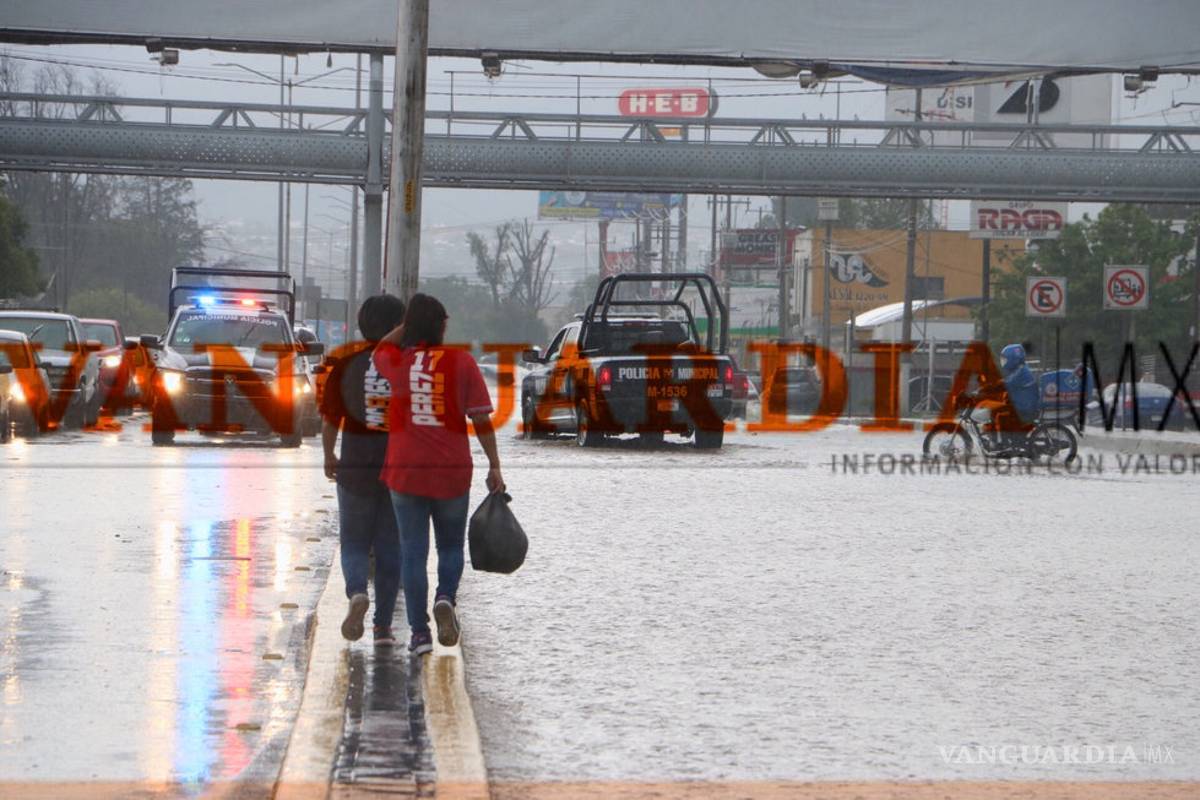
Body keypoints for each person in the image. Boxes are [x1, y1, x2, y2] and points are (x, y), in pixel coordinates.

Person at [373, 293, 504, 655]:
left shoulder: (398, 362)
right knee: (450, 546)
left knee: (413, 552)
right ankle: (445, 596)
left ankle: (419, 634)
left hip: (405, 472)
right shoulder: (461, 362)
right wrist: (494, 464)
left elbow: (379, 348)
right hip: (451, 472)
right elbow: (480, 419)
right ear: (443, 326)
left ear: (411, 327)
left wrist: (408, 326)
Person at [321, 294, 407, 646]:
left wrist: (329, 455)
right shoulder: (409, 365)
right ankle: (383, 627)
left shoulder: (346, 364)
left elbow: (330, 419)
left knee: (354, 541)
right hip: (399, 469)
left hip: (355, 466)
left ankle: (357, 590)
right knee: (391, 547)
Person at [973, 343, 1040, 444]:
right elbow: (1005, 383)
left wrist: (983, 390)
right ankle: (998, 440)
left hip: (1023, 408)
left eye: (1005, 359)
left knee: (999, 414)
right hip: (1021, 406)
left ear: (1013, 359)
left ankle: (1003, 444)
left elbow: (1004, 385)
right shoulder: (1020, 370)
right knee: (994, 410)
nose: (1003, 362)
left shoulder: (1021, 372)